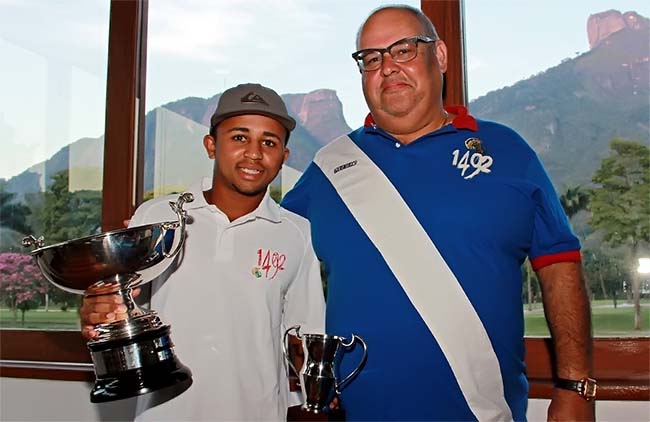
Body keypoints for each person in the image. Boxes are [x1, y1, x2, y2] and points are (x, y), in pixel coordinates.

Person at [281, 5, 594, 421]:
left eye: (404, 50)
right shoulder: (329, 166)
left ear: (441, 57)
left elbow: (560, 265)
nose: (388, 67)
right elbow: (271, 257)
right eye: (372, 59)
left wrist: (576, 387)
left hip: (482, 413)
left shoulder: (508, 151)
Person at [81, 83, 325, 421]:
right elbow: (120, 307)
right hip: (165, 413)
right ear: (211, 145)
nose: (254, 153)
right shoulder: (156, 217)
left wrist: (320, 389)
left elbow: (306, 336)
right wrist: (101, 311)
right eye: (239, 137)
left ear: (283, 157)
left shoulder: (297, 233)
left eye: (269, 142)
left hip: (256, 412)